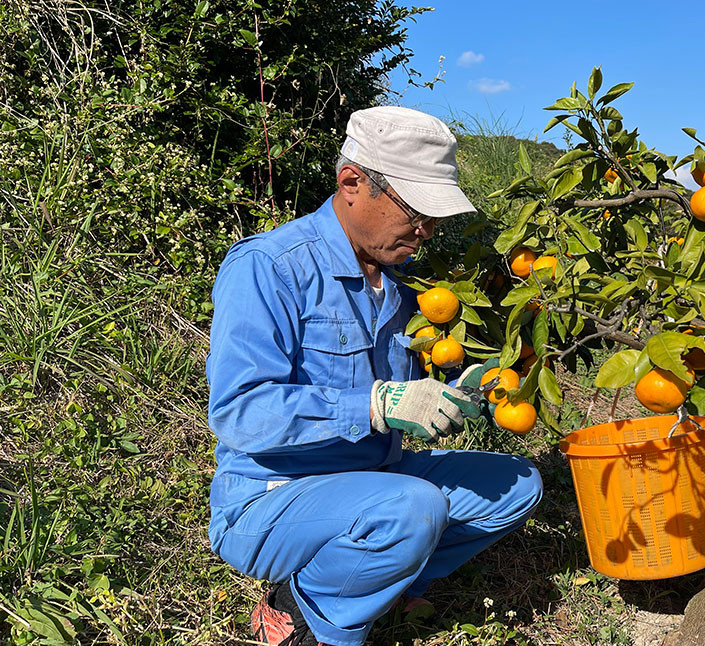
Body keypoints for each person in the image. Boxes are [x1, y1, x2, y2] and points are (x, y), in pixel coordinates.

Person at [205, 106, 544, 646]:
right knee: (412, 508)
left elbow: (416, 388)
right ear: (353, 183)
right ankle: (308, 614)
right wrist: (375, 404)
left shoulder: (408, 288)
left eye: (435, 218)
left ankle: (380, 579)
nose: (426, 231)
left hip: (376, 480)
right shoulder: (271, 267)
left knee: (518, 486)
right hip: (273, 496)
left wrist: (461, 389)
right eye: (415, 212)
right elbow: (239, 410)